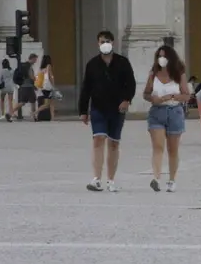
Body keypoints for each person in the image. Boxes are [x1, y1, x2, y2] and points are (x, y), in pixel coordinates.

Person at [79, 30, 136, 192]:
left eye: (108, 41)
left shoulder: (123, 62)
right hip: (98, 108)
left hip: (117, 109)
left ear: (113, 43)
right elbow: (86, 88)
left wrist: (126, 100)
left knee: (113, 143)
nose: (105, 43)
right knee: (98, 139)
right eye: (102, 41)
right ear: (98, 44)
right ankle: (96, 178)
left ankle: (111, 180)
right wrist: (83, 110)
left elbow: (130, 84)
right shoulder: (92, 64)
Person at [143, 45, 190, 193]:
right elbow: (146, 93)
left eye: (164, 56)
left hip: (174, 111)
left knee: (172, 149)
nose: (161, 59)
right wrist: (153, 99)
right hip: (157, 112)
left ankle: (172, 179)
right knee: (158, 146)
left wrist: (172, 96)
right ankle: (156, 178)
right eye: (159, 56)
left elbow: (186, 95)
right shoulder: (153, 74)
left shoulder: (179, 74)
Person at [12, 53, 39, 119]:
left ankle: (10, 113)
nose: (36, 61)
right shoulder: (29, 66)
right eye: (35, 59)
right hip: (28, 87)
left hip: (23, 86)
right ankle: (34, 116)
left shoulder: (23, 65)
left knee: (22, 102)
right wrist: (35, 78)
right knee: (33, 101)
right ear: (32, 59)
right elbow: (31, 77)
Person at [34, 54, 56, 121]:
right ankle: (35, 113)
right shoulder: (48, 66)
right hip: (49, 87)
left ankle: (52, 118)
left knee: (51, 103)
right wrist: (53, 85)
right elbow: (50, 76)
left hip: (44, 87)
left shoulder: (41, 68)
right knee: (47, 104)